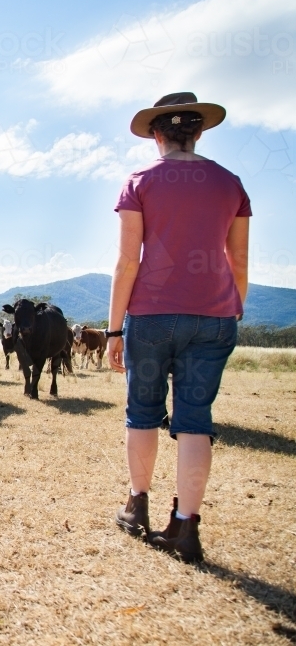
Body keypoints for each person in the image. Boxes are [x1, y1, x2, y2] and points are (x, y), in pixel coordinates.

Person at [107, 92, 250, 563]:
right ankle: (186, 529)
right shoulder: (230, 184)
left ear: (156, 134)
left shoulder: (140, 181)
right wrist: (233, 308)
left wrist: (113, 330)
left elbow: (129, 262)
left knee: (143, 412)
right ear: (200, 132)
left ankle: (137, 505)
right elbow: (239, 260)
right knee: (195, 421)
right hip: (215, 318)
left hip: (150, 316)